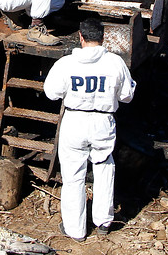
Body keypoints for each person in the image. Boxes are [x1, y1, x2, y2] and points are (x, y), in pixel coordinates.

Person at [43, 18, 136, 242]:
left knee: (73, 175)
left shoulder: (66, 64)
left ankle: (75, 229)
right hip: (103, 122)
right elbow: (127, 96)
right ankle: (103, 222)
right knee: (104, 169)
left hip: (74, 120)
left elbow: (51, 93)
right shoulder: (115, 63)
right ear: (103, 38)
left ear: (81, 37)